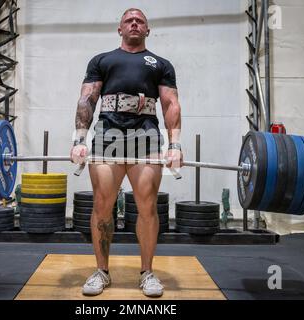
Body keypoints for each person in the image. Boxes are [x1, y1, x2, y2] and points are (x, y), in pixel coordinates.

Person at [70, 8, 183, 297]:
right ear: (119, 29)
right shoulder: (102, 61)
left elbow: (170, 104)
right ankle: (101, 272)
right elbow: (87, 98)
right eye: (128, 21)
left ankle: (147, 272)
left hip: (145, 137)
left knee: (147, 207)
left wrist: (175, 145)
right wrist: (79, 139)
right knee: (102, 206)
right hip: (107, 137)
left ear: (148, 29)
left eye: (140, 21)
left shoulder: (160, 64)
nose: (134, 23)